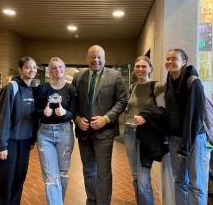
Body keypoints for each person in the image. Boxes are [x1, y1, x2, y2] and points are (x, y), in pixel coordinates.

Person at [136, 49, 210, 205]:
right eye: (167, 59)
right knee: (179, 181)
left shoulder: (193, 81)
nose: (169, 62)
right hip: (175, 139)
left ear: (184, 61)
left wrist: (186, 146)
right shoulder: (170, 79)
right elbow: (169, 111)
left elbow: (195, 118)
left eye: (174, 59)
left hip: (193, 139)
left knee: (196, 185)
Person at [72, 45, 127, 205]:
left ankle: (103, 202)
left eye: (99, 57)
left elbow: (122, 101)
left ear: (105, 58)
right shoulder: (78, 76)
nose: (96, 60)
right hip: (84, 132)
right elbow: (72, 102)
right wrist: (77, 119)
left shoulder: (115, 76)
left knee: (103, 172)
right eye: (92, 56)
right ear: (87, 58)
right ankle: (91, 200)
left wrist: (106, 118)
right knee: (88, 170)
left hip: (105, 132)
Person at [0, 57, 37, 205]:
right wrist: (1, 145)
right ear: (20, 69)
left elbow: (32, 118)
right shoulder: (12, 87)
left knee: (18, 179)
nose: (32, 70)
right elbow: (3, 117)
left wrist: (32, 140)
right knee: (4, 181)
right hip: (9, 143)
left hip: (24, 144)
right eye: (28, 67)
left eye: (34, 68)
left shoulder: (32, 90)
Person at [124, 56, 164, 205]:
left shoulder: (157, 86)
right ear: (134, 69)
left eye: (144, 66)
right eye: (138, 66)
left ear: (150, 69)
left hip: (146, 134)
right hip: (129, 132)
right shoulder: (132, 86)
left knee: (143, 178)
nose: (140, 69)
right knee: (135, 175)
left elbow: (164, 107)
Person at [36, 57, 77, 205]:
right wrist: (43, 113)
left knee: (62, 174)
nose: (57, 70)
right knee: (51, 177)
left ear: (64, 68)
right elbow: (36, 110)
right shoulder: (42, 88)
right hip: (45, 134)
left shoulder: (71, 89)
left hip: (65, 132)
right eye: (53, 67)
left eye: (60, 67)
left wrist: (65, 113)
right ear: (49, 70)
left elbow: (74, 113)